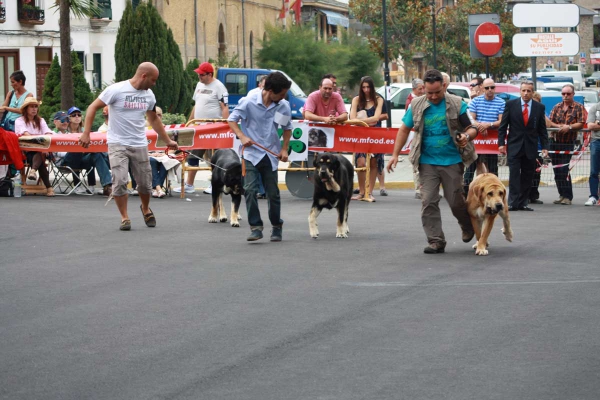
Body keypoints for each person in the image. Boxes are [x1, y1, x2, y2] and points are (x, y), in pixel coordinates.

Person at [386, 69, 478, 254]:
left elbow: (472, 127)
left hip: (452, 160)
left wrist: (466, 137)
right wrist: (395, 154)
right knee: (428, 201)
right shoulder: (417, 105)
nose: (434, 96)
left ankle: (466, 225)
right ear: (423, 89)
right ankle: (436, 241)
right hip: (427, 161)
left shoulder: (457, 103)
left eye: (437, 92)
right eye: (429, 93)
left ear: (444, 86)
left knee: (455, 202)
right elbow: (404, 129)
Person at [79, 62, 178, 231]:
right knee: (120, 181)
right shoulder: (116, 90)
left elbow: (153, 119)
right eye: (153, 80)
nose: (154, 84)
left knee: (146, 184)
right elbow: (92, 107)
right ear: (143, 76)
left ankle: (145, 208)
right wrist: (86, 133)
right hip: (117, 143)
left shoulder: (149, 95)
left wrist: (168, 140)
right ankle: (124, 217)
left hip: (139, 143)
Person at [227, 71, 292, 242]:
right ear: (270, 90)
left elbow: (286, 128)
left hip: (270, 154)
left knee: (273, 193)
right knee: (249, 189)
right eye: (282, 93)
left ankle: (277, 226)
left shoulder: (282, 106)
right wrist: (241, 136)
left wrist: (284, 149)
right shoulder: (249, 102)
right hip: (251, 153)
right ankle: (255, 227)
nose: (284, 97)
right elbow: (232, 120)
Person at [174, 62, 229, 195]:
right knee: (193, 155)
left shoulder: (219, 87)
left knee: (213, 158)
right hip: (198, 127)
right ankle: (189, 184)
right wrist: (190, 122)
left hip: (212, 128)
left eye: (201, 75)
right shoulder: (199, 85)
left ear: (210, 74)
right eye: (198, 74)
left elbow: (225, 108)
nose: (199, 77)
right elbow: (196, 105)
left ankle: (214, 184)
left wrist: (223, 125)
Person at [497, 81, 549, 211]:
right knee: (514, 174)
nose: (526, 93)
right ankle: (513, 202)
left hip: (530, 146)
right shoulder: (510, 105)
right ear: (520, 91)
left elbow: (542, 129)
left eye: (529, 91)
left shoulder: (539, 107)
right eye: (523, 91)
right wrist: (501, 144)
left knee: (528, 175)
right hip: (514, 146)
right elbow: (503, 126)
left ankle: (523, 202)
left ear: (532, 92)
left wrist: (545, 146)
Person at [463, 77, 504, 195]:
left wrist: (488, 125)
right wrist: (481, 126)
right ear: (482, 88)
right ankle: (466, 191)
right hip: (477, 139)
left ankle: (495, 190)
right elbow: (471, 118)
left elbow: (501, 120)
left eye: (492, 87)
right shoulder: (476, 101)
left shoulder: (501, 102)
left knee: (492, 167)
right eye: (487, 87)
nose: (490, 90)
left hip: (492, 140)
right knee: (471, 166)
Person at [547, 83, 585, 205]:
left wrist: (569, 127)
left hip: (568, 142)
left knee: (564, 169)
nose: (566, 96)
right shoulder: (556, 107)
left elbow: (581, 123)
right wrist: (559, 127)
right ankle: (561, 195)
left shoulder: (578, 107)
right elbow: (550, 122)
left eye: (568, 94)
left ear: (573, 94)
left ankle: (568, 196)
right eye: (563, 94)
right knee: (557, 171)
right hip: (555, 142)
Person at [349, 76, 384, 202]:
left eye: (368, 87)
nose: (366, 90)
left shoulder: (379, 99)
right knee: (361, 162)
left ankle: (369, 191)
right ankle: (362, 191)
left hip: (375, 135)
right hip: (361, 136)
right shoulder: (356, 100)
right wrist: (367, 122)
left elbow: (376, 118)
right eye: (363, 87)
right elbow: (352, 118)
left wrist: (361, 121)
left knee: (374, 162)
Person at [14, 98, 55, 196]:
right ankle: (48, 187)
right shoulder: (19, 121)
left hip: (40, 151)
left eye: (36, 106)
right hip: (25, 152)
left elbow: (48, 132)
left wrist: (49, 137)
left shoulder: (41, 120)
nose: (34, 109)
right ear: (26, 109)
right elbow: (26, 135)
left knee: (40, 153)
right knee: (41, 153)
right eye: (32, 106)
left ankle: (33, 171)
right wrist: (42, 143)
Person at [584, 101, 600, 206]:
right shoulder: (595, 107)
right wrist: (595, 124)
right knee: (594, 171)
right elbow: (590, 126)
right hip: (596, 141)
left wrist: (598, 123)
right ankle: (593, 196)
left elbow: (594, 125)